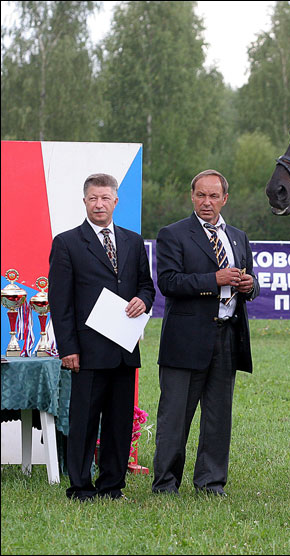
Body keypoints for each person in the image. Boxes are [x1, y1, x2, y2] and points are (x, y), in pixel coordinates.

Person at [152, 169, 259, 497]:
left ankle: (211, 483)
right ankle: (166, 484)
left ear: (225, 199)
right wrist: (214, 279)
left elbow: (247, 281)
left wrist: (249, 285)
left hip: (226, 337)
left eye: (214, 196)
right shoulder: (173, 234)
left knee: (218, 417)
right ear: (192, 196)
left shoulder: (239, 237)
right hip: (184, 339)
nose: (207, 202)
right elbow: (168, 283)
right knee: (175, 417)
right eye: (201, 195)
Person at [49, 173, 155, 501]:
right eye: (93, 198)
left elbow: (146, 286)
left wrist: (144, 300)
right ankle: (80, 487)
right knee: (84, 421)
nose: (99, 204)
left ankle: (112, 486)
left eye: (105, 198)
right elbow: (60, 301)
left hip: (124, 349)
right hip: (86, 350)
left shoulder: (133, 242)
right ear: (84, 201)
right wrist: (68, 347)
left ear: (115, 202)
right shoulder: (66, 243)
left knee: (119, 422)